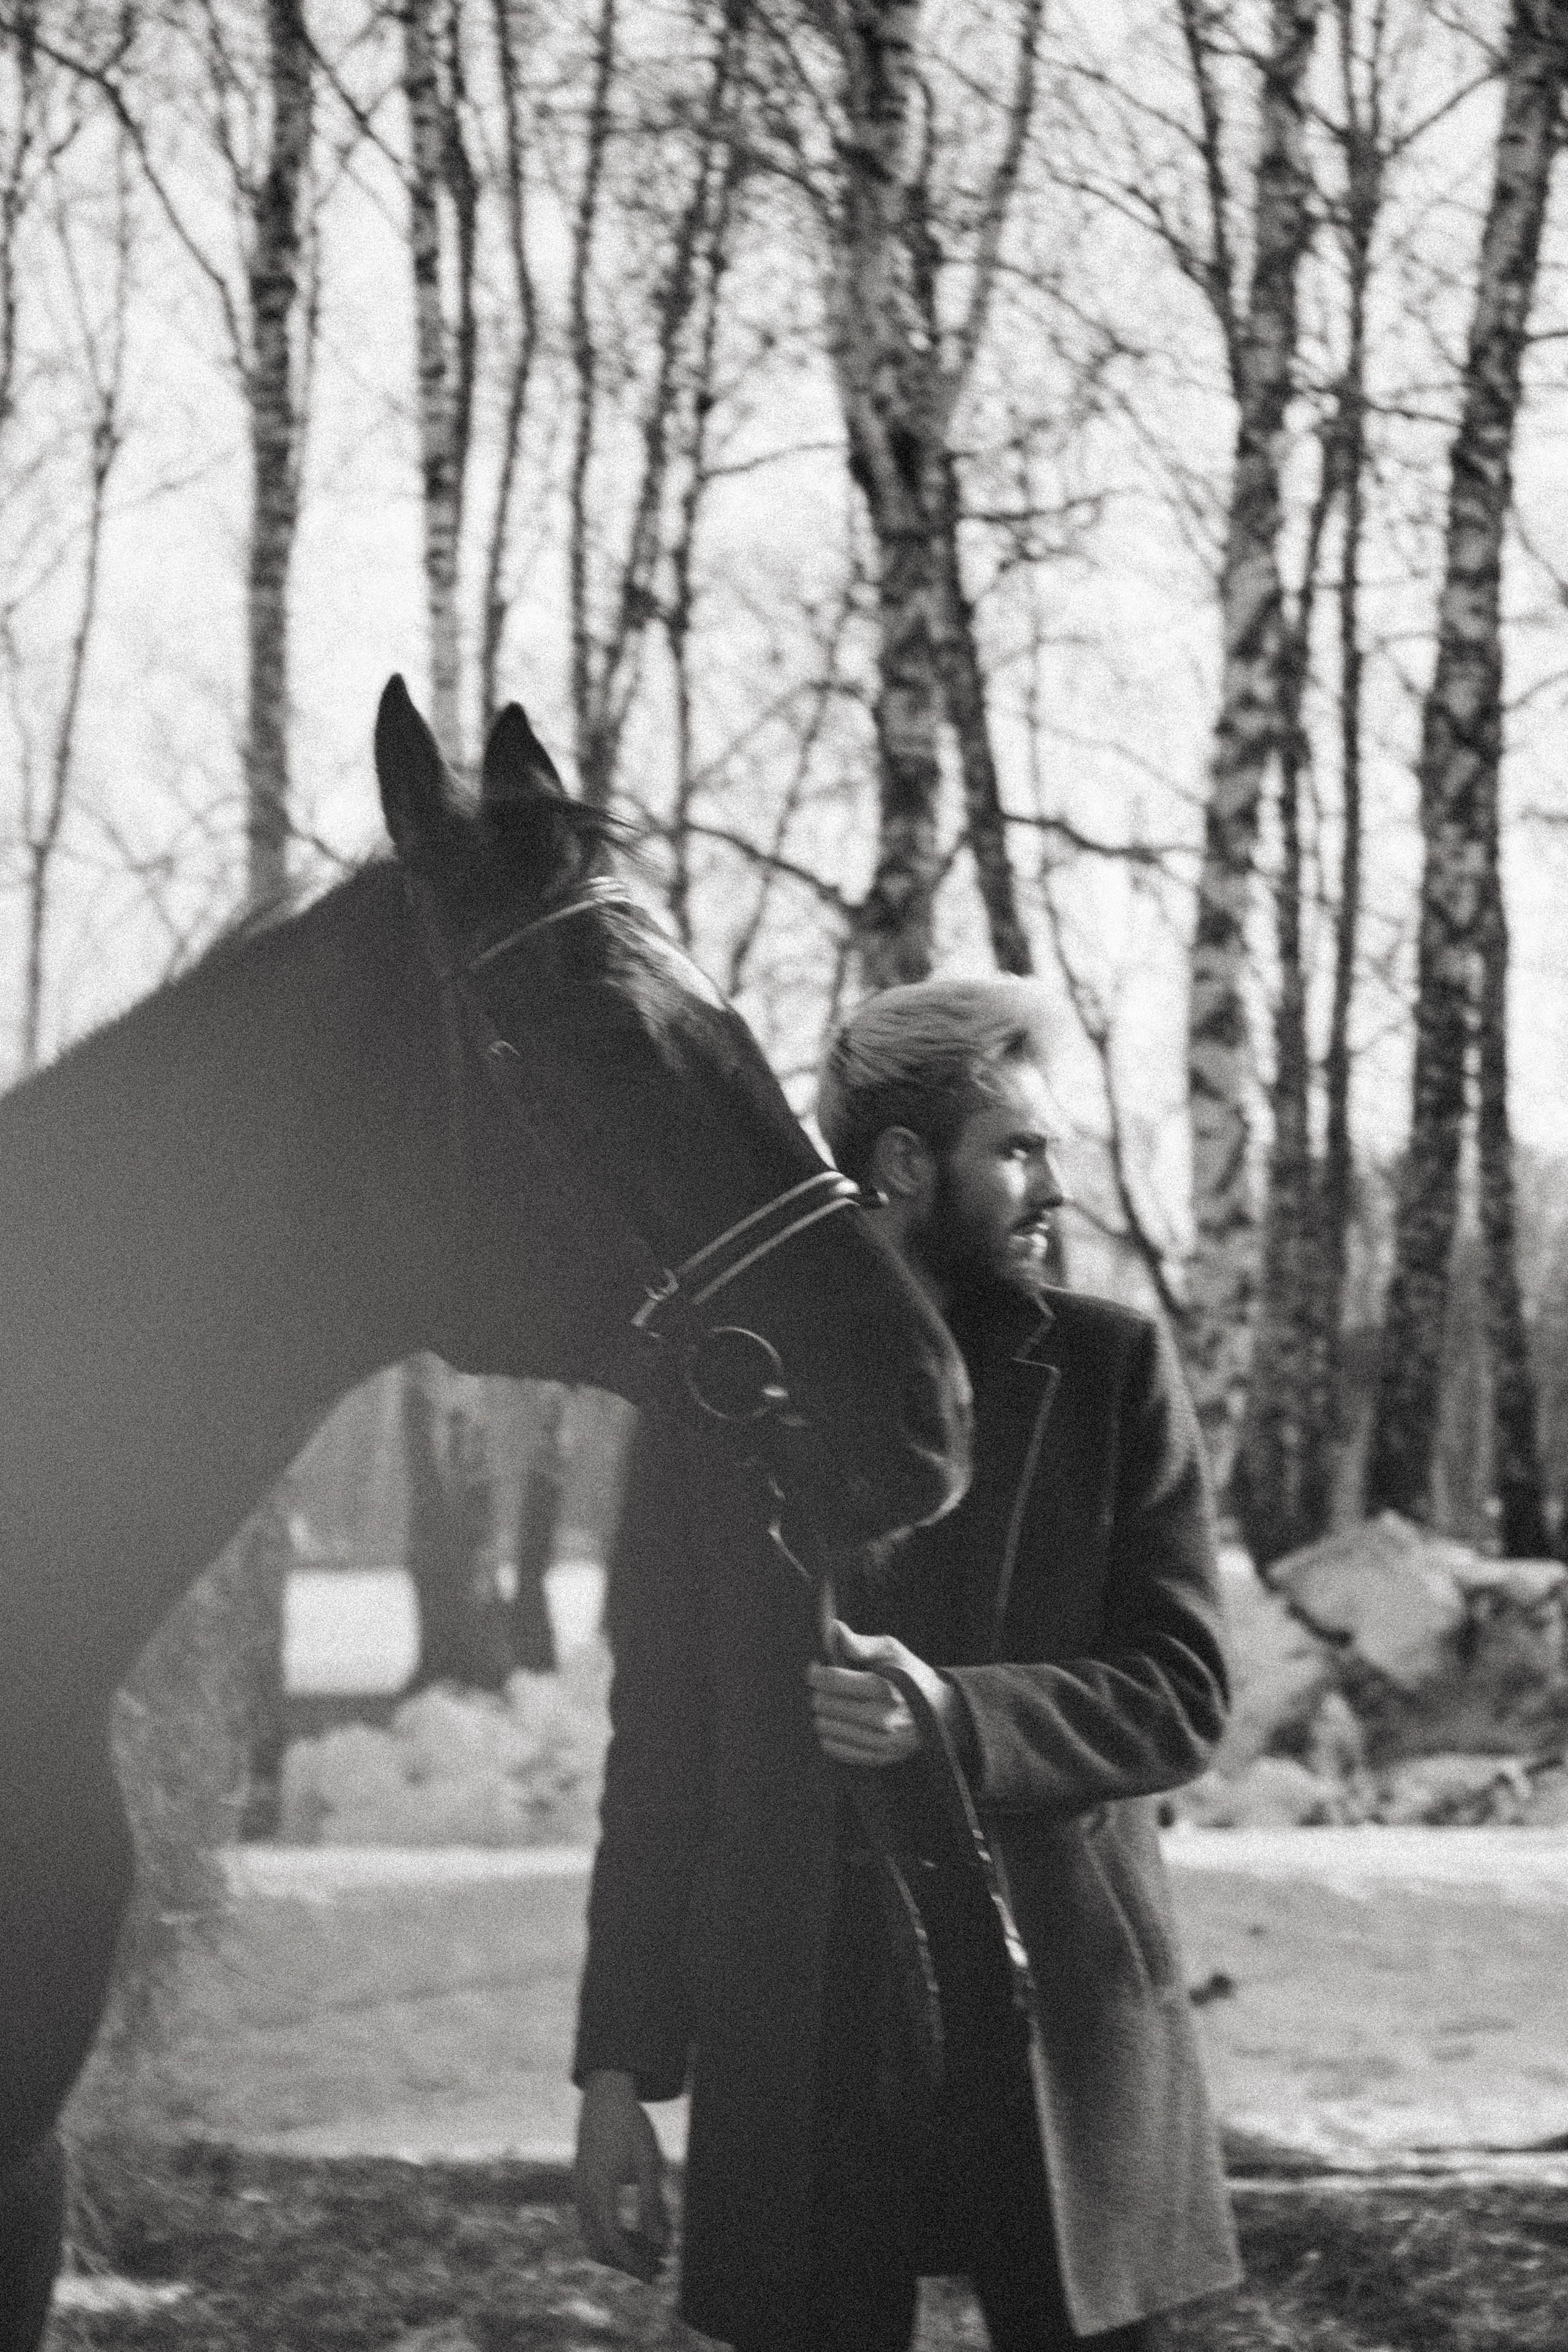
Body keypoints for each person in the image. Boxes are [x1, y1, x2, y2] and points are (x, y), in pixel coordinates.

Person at [573, 978, 1241, 2350]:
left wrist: (957, 1713)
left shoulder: (1111, 1369)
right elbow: (659, 1758)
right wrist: (615, 2075)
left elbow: (1182, 1692)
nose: (1056, 1186)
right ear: (898, 1165)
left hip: (1056, 2029)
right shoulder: (713, 1398)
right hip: (803, 2039)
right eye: (1016, 1149)